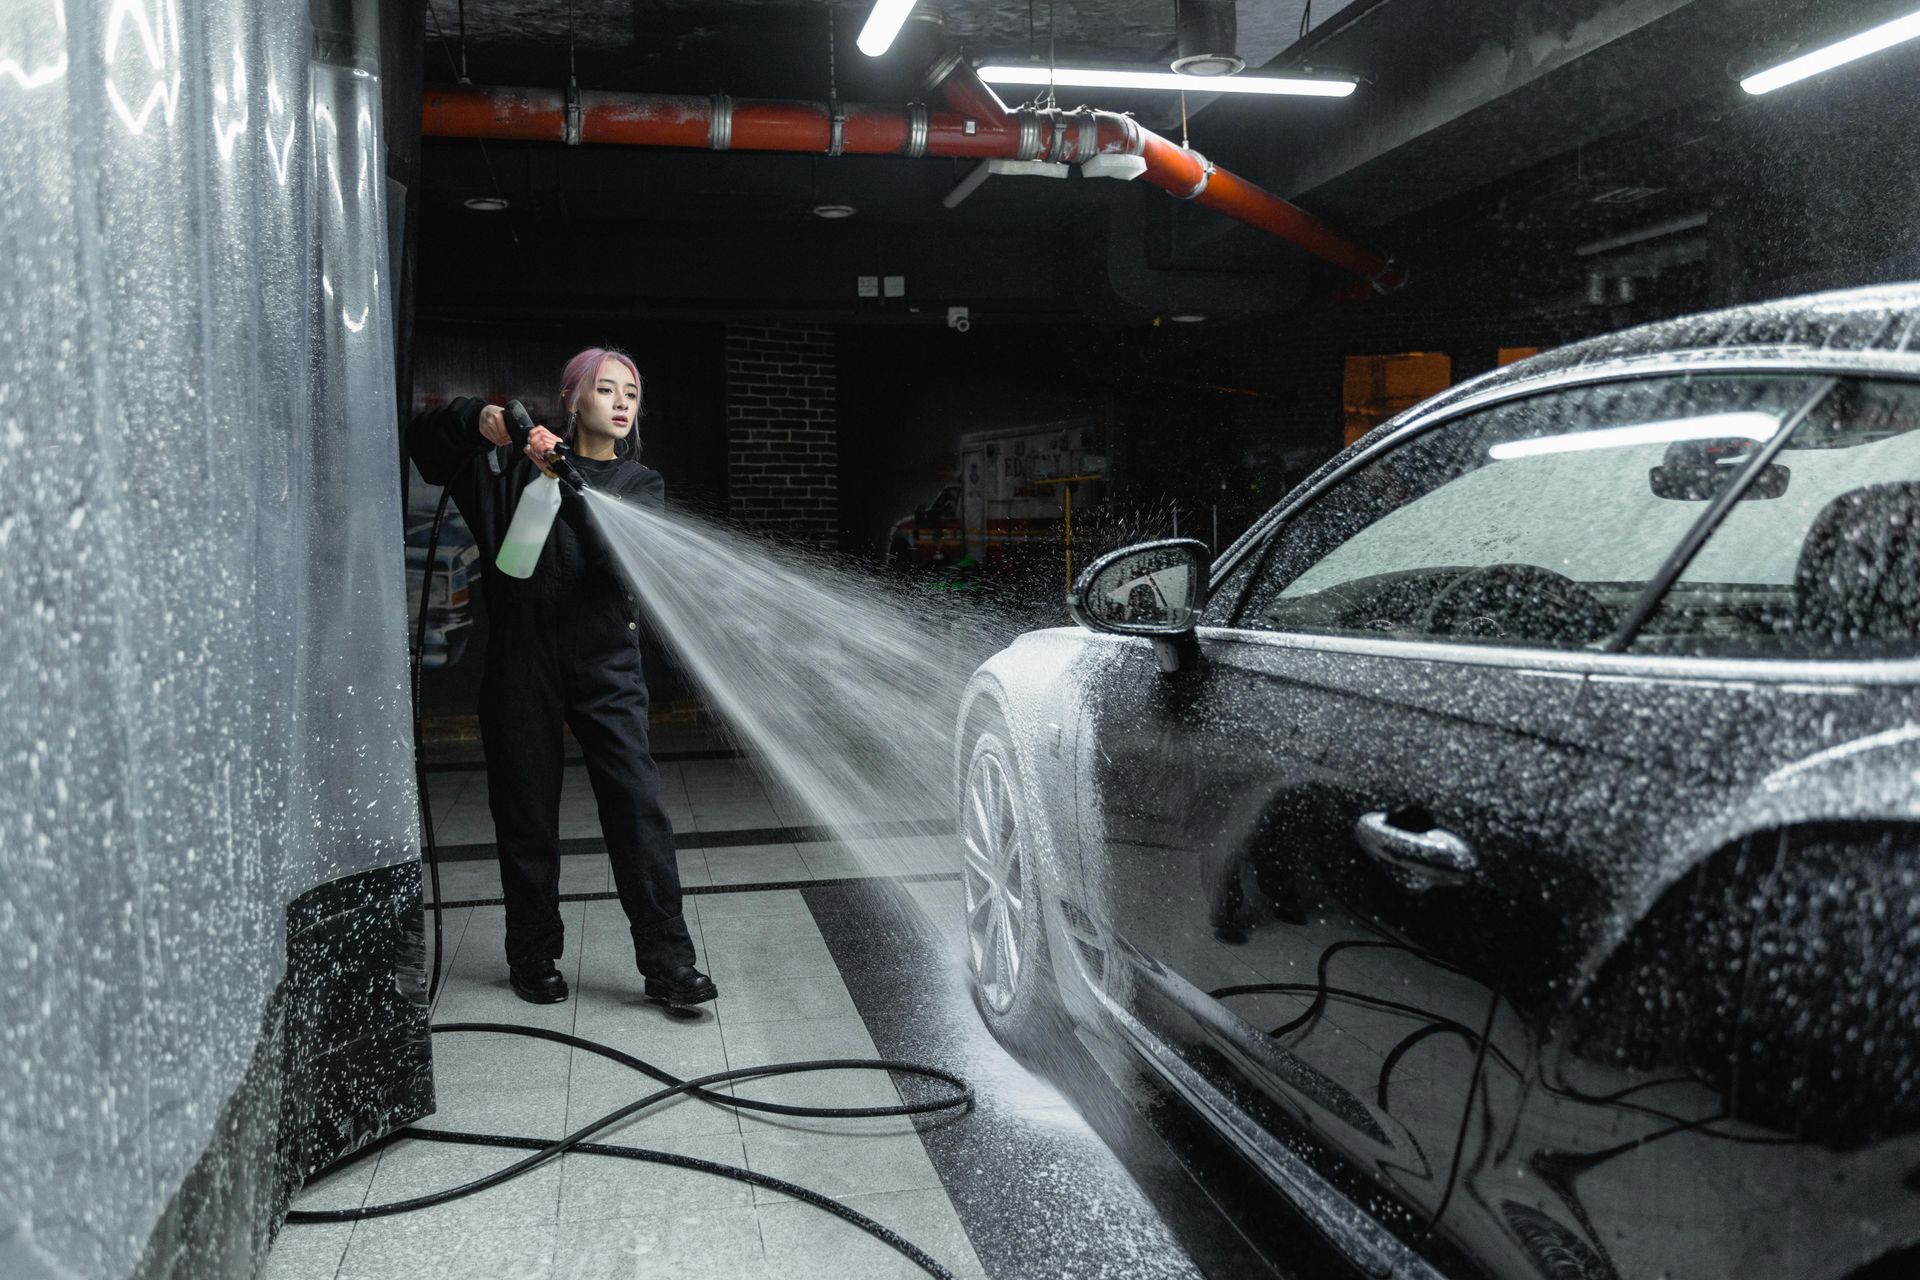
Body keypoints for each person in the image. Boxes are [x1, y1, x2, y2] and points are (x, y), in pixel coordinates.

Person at [408, 347, 716, 1009]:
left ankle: (669, 963)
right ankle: (533, 956)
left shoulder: (640, 488)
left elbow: (619, 565)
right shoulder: (505, 475)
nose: (621, 400)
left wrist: (566, 477)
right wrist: (478, 418)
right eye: (605, 389)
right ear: (573, 400)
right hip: (520, 665)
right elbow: (425, 446)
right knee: (525, 814)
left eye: (630, 391)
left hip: (606, 666)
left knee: (637, 810)